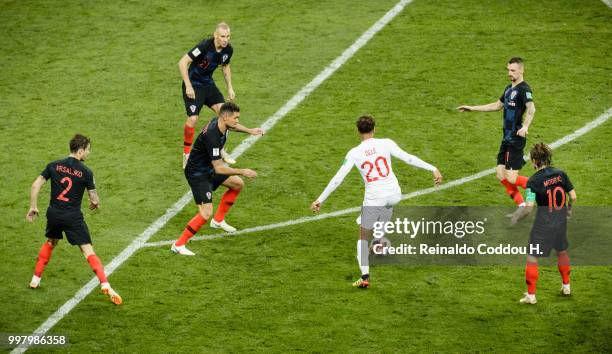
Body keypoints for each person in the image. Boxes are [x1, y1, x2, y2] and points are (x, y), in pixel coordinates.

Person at [310, 115, 443, 288]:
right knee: (386, 208)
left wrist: (320, 199)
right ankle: (379, 243)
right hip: (395, 193)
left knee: (362, 237)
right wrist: (433, 168)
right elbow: (408, 158)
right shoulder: (386, 143)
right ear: (375, 128)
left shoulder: (354, 153)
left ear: (358, 131)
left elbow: (338, 179)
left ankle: (365, 277)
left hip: (375, 197)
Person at [26, 134, 122, 305]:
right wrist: (95, 203)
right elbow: (94, 198)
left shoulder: (53, 165)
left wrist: (33, 206)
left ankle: (35, 279)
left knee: (51, 242)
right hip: (72, 217)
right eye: (88, 150)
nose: (88, 153)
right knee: (88, 252)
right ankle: (105, 284)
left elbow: (35, 185)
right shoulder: (86, 172)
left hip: (54, 214)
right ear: (80, 151)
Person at [172, 102, 263, 256]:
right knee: (205, 213)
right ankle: (178, 244)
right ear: (225, 117)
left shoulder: (221, 123)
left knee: (237, 184)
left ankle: (218, 221)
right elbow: (219, 168)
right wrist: (243, 171)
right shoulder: (213, 136)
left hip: (207, 167)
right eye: (236, 118)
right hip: (198, 173)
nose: (237, 121)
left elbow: (234, 127)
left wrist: (250, 130)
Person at [458, 57, 536, 207]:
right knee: (501, 175)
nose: (509, 73)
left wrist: (525, 127)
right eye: (508, 70)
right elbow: (496, 105)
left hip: (516, 139)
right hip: (506, 138)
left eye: (513, 70)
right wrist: (472, 108)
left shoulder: (524, 89)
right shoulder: (508, 89)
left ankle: (534, 185)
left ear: (521, 71)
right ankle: (522, 206)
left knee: (512, 179)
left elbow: (532, 109)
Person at [510, 143, 576, 304]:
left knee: (532, 258)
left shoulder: (533, 182)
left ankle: (531, 296)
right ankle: (566, 286)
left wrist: (516, 217)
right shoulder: (561, 174)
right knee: (562, 251)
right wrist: (568, 211)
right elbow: (573, 196)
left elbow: (528, 208)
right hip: (560, 223)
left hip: (543, 226)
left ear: (534, 160)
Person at [179, 22, 237, 168]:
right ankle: (186, 154)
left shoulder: (228, 50)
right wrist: (188, 86)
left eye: (228, 36)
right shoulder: (204, 46)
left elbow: (225, 66)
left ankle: (221, 149)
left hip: (208, 85)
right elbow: (183, 62)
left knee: (226, 115)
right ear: (215, 35)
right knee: (192, 119)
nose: (225, 39)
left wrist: (230, 87)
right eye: (222, 36)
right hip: (194, 85)